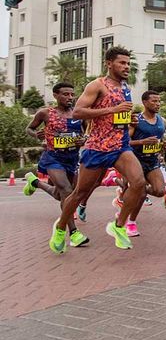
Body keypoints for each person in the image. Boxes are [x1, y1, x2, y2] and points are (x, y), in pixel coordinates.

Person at [48, 46, 144, 252]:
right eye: (122, 63)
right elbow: (78, 113)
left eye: (128, 63)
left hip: (121, 145)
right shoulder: (97, 85)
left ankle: (118, 226)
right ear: (109, 63)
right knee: (79, 193)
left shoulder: (125, 87)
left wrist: (129, 118)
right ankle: (61, 227)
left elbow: (117, 118)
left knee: (139, 184)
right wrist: (113, 109)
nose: (126, 67)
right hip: (98, 147)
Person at [24, 83, 89, 245]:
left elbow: (88, 133)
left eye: (71, 94)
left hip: (72, 159)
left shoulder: (78, 114)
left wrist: (84, 140)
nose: (69, 98)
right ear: (55, 95)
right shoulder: (45, 113)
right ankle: (73, 233)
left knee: (59, 195)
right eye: (65, 94)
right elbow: (29, 128)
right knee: (66, 191)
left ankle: (35, 182)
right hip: (53, 158)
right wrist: (37, 135)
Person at [120, 91, 166, 237]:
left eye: (159, 101)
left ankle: (128, 192)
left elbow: (160, 139)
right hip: (135, 161)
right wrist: (142, 142)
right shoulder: (136, 120)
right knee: (139, 193)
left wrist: (162, 146)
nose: (157, 104)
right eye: (154, 101)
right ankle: (131, 223)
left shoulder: (162, 120)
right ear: (145, 103)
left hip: (152, 161)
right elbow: (124, 142)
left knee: (160, 191)